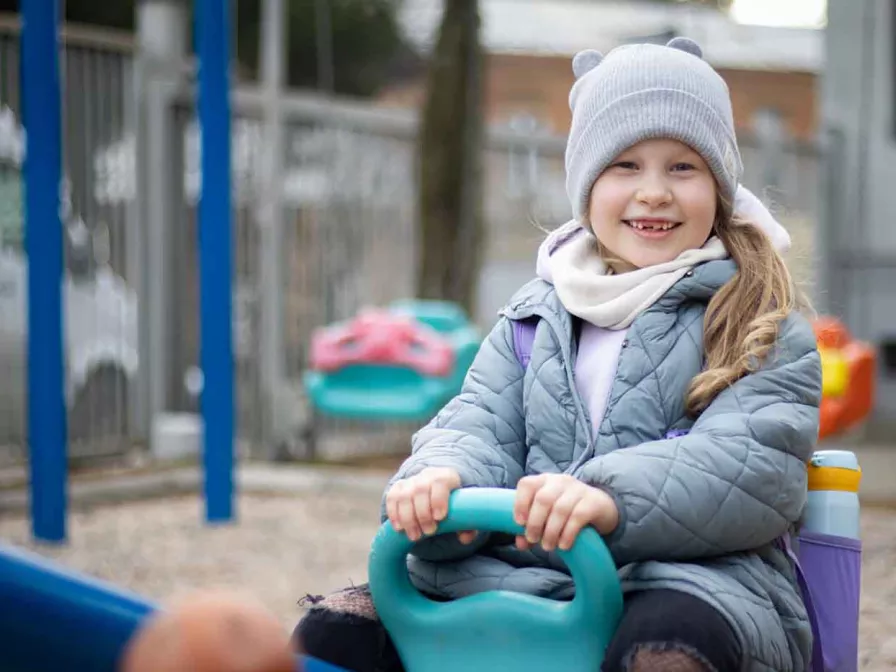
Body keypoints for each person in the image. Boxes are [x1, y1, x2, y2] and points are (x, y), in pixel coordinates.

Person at [293, 36, 822, 672]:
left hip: (685, 578)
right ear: (586, 184)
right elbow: (477, 423)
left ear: (719, 186)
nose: (653, 192)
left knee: (666, 651)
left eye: (682, 167)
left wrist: (607, 499)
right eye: (625, 165)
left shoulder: (754, 320)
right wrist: (443, 485)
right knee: (333, 634)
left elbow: (749, 465)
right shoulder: (532, 318)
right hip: (519, 569)